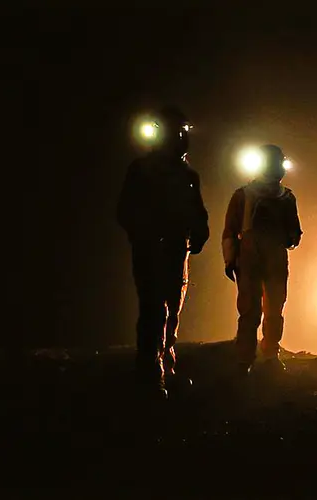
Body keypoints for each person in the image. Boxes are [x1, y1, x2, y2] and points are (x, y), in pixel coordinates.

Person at [117, 105, 209, 398]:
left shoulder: (187, 174)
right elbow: (126, 210)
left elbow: (197, 211)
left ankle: (165, 365)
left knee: (171, 308)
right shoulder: (142, 170)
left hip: (173, 247)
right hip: (153, 247)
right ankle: (151, 372)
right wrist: (142, 235)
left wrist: (198, 233)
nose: (180, 137)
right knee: (154, 308)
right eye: (177, 131)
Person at [222, 144, 302, 376]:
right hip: (258, 258)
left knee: (268, 309)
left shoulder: (271, 196)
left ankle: (258, 357)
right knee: (255, 310)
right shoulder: (252, 195)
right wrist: (231, 258)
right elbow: (231, 230)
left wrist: (230, 260)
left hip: (261, 258)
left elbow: (293, 233)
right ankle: (254, 357)